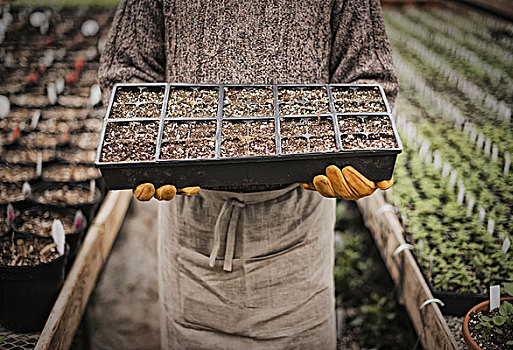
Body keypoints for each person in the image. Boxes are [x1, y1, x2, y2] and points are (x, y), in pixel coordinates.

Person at [99, 0, 398, 349]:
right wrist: (148, 145)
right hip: (195, 226)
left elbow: (370, 74)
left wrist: (356, 150)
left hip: (296, 228)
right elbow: (126, 68)